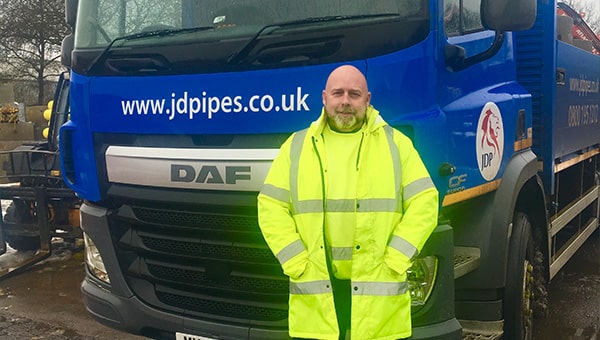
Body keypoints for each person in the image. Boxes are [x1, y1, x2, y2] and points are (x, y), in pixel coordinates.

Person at [257, 65, 439, 340]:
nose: (345, 102)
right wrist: (295, 261)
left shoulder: (396, 145)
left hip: (378, 291)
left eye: (354, 94)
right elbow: (270, 206)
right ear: (324, 98)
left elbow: (425, 201)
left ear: (367, 100)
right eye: (337, 93)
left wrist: (397, 258)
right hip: (317, 289)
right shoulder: (296, 146)